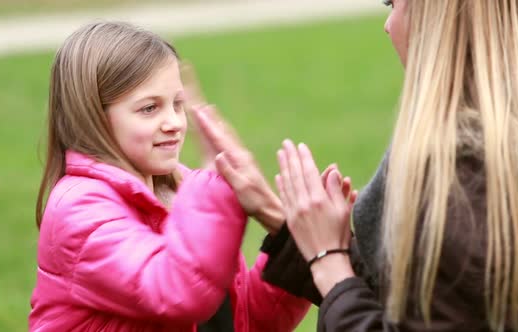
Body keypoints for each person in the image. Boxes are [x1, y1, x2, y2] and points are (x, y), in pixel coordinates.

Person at [193, 0, 518, 331]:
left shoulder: (460, 174)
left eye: (392, 5)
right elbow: (437, 307)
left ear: (435, 15)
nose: (388, 26)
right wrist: (285, 220)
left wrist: (330, 260)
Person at [29, 21, 309, 332]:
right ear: (93, 117)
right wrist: (215, 183)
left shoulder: (185, 193)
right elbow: (178, 292)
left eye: (178, 104)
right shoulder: (80, 209)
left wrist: (298, 239)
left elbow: (242, 321)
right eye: (150, 108)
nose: (174, 122)